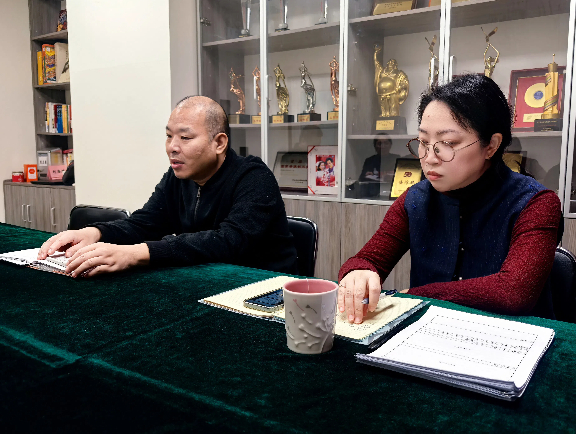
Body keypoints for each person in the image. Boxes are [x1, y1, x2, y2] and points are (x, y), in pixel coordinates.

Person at [338, 74, 562, 324]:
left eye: (448, 143)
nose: (429, 158)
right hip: (431, 334)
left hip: (514, 337)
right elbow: (367, 259)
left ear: (491, 145)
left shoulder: (535, 203)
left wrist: (413, 296)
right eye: (424, 142)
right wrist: (358, 272)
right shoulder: (416, 199)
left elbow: (513, 293)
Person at [38, 96, 298, 277]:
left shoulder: (254, 177)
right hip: (207, 281)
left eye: (185, 137)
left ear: (219, 143)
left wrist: (136, 254)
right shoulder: (178, 177)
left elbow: (228, 241)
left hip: (263, 290)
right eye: (169, 136)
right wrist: (94, 233)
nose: (172, 147)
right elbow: (144, 223)